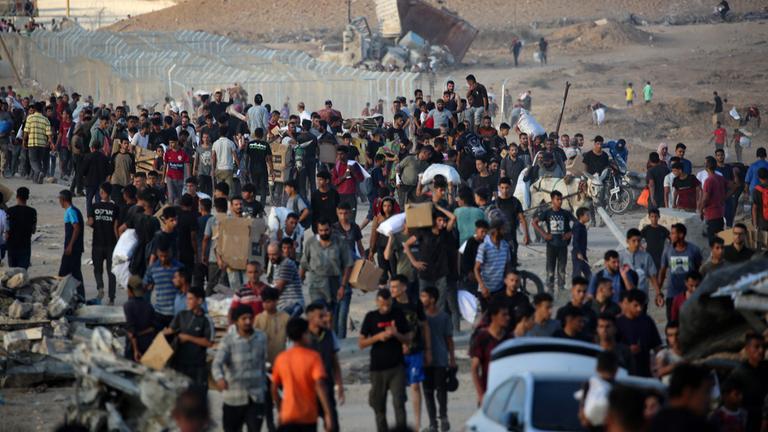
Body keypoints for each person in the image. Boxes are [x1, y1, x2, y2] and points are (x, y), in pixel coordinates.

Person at [359, 289, 412, 432]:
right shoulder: (371, 317)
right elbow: (361, 343)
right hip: (377, 368)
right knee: (378, 405)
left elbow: (408, 338)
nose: (386, 308)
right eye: (383, 305)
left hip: (397, 367)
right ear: (377, 302)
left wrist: (396, 334)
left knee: (399, 403)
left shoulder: (398, 314)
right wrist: (378, 337)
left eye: (388, 305)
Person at [213, 304, 269, 432]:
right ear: (236, 321)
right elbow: (217, 364)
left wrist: (264, 386)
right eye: (244, 318)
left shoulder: (261, 338)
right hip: (233, 397)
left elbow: (262, 363)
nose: (248, 322)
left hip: (256, 398)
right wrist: (220, 378)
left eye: (250, 318)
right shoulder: (228, 340)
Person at [420, 286, 455, 432]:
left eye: (424, 296)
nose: (422, 300)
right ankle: (433, 422)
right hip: (424, 360)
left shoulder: (444, 317)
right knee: (428, 392)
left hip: (440, 358)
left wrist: (452, 359)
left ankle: (444, 417)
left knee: (441, 391)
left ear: (432, 299)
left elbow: (449, 340)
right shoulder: (420, 317)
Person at [300, 219, 353, 317]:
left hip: (334, 284)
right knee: (318, 314)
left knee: (331, 316)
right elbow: (303, 264)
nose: (324, 233)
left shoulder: (340, 242)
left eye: (326, 230)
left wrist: (343, 286)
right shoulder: (311, 243)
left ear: (331, 229)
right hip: (316, 285)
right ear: (317, 230)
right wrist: (300, 281)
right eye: (321, 230)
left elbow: (348, 265)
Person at [164, 287, 214, 387]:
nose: (187, 302)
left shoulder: (206, 320)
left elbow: (209, 342)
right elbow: (171, 330)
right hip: (179, 363)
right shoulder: (181, 315)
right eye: (187, 298)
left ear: (199, 301)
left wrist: (188, 338)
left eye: (191, 299)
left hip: (197, 366)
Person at [306, 303, 343, 432]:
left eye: (325, 315)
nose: (325, 319)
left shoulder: (329, 334)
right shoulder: (302, 337)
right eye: (321, 316)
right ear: (310, 318)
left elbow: (335, 362)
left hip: (327, 385)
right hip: (307, 389)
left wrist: (340, 387)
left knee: (332, 424)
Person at [649, 364, 716, 432]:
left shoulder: (654, 421)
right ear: (688, 392)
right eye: (706, 392)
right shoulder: (697, 426)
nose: (708, 399)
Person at [533, 191, 575, 293]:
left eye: (561, 199)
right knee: (550, 269)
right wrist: (544, 235)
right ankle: (550, 288)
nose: (560, 201)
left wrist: (569, 234)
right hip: (551, 245)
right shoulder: (547, 213)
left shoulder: (565, 213)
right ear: (552, 200)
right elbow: (534, 222)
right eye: (557, 199)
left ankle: (561, 287)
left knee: (561, 269)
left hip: (563, 246)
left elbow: (577, 223)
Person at [659, 223, 703, 321]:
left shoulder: (694, 250)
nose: (670, 235)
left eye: (673, 233)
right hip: (672, 294)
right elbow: (662, 270)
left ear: (681, 235)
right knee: (672, 322)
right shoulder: (667, 250)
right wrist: (659, 291)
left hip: (690, 294)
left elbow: (699, 270)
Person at [470, 300, 509, 406]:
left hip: (507, 391)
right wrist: (480, 394)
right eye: (504, 315)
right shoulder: (482, 338)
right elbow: (474, 368)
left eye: (507, 314)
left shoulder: (508, 338)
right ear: (493, 316)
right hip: (488, 390)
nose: (507, 318)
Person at [615, 290, 662, 377]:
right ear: (628, 304)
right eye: (635, 305)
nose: (639, 309)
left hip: (644, 372)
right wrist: (627, 349)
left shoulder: (647, 321)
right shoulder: (618, 323)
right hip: (623, 372)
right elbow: (611, 346)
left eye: (641, 305)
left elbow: (657, 347)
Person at [727, 334, 768, 432]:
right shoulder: (739, 374)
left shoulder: (766, 368)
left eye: (764, 347)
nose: (761, 350)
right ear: (747, 349)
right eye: (757, 347)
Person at [87, 182, 119, 304]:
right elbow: (116, 227)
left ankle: (100, 287)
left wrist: (95, 224)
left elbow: (90, 222)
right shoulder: (115, 208)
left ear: (104, 193)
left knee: (97, 269)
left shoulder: (94, 206)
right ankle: (111, 298)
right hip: (111, 243)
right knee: (111, 272)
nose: (100, 193)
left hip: (97, 243)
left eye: (101, 191)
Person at [144, 240, 184, 328]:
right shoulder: (153, 269)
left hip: (176, 314)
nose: (163, 259)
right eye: (161, 256)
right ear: (157, 253)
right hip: (159, 313)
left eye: (165, 256)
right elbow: (145, 286)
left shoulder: (179, 268)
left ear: (170, 252)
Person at [620, 228, 661, 305]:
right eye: (634, 241)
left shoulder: (646, 256)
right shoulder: (620, 257)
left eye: (638, 241)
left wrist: (658, 293)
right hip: (625, 299)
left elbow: (652, 276)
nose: (636, 244)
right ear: (627, 241)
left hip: (642, 298)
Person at [579, 351, 618, 429]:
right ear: (616, 369)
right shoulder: (622, 390)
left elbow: (584, 420)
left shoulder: (589, 385)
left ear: (597, 368)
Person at [266, 242, 304, 317]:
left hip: (291, 304)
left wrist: (264, 296)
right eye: (269, 254)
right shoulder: (278, 264)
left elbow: (279, 288)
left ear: (281, 252)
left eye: (274, 254)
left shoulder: (286, 264)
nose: (271, 257)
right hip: (285, 304)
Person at [123, 275, 156, 363]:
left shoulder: (128, 306)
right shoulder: (149, 306)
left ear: (130, 290)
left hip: (133, 347)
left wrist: (136, 350)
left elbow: (131, 332)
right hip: (147, 344)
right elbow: (153, 328)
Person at [59, 189, 85, 297]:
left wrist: (70, 245)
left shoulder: (71, 211)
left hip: (73, 248)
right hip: (75, 247)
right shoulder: (73, 210)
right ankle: (80, 296)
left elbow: (76, 228)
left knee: (63, 273)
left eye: (59, 199)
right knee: (75, 273)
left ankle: (60, 296)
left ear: (63, 200)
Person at [6, 186, 36, 268]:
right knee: (22, 274)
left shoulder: (10, 211)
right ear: (27, 197)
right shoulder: (32, 212)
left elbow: (7, 230)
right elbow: (33, 230)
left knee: (13, 273)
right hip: (25, 246)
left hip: (12, 246)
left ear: (17, 197)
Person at [654, 321, 684, 385]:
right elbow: (660, 371)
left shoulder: (691, 352)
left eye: (677, 334)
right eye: (670, 335)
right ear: (667, 337)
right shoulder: (664, 354)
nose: (674, 339)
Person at [572, 207, 591, 280]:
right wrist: (578, 253)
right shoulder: (578, 227)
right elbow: (575, 241)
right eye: (587, 215)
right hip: (578, 255)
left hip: (583, 253)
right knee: (577, 274)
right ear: (581, 216)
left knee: (588, 273)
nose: (589, 216)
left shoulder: (582, 226)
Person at [752, 167, 768, 248]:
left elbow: (755, 208)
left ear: (758, 177)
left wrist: (755, 224)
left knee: (763, 244)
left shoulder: (756, 190)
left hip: (762, 222)